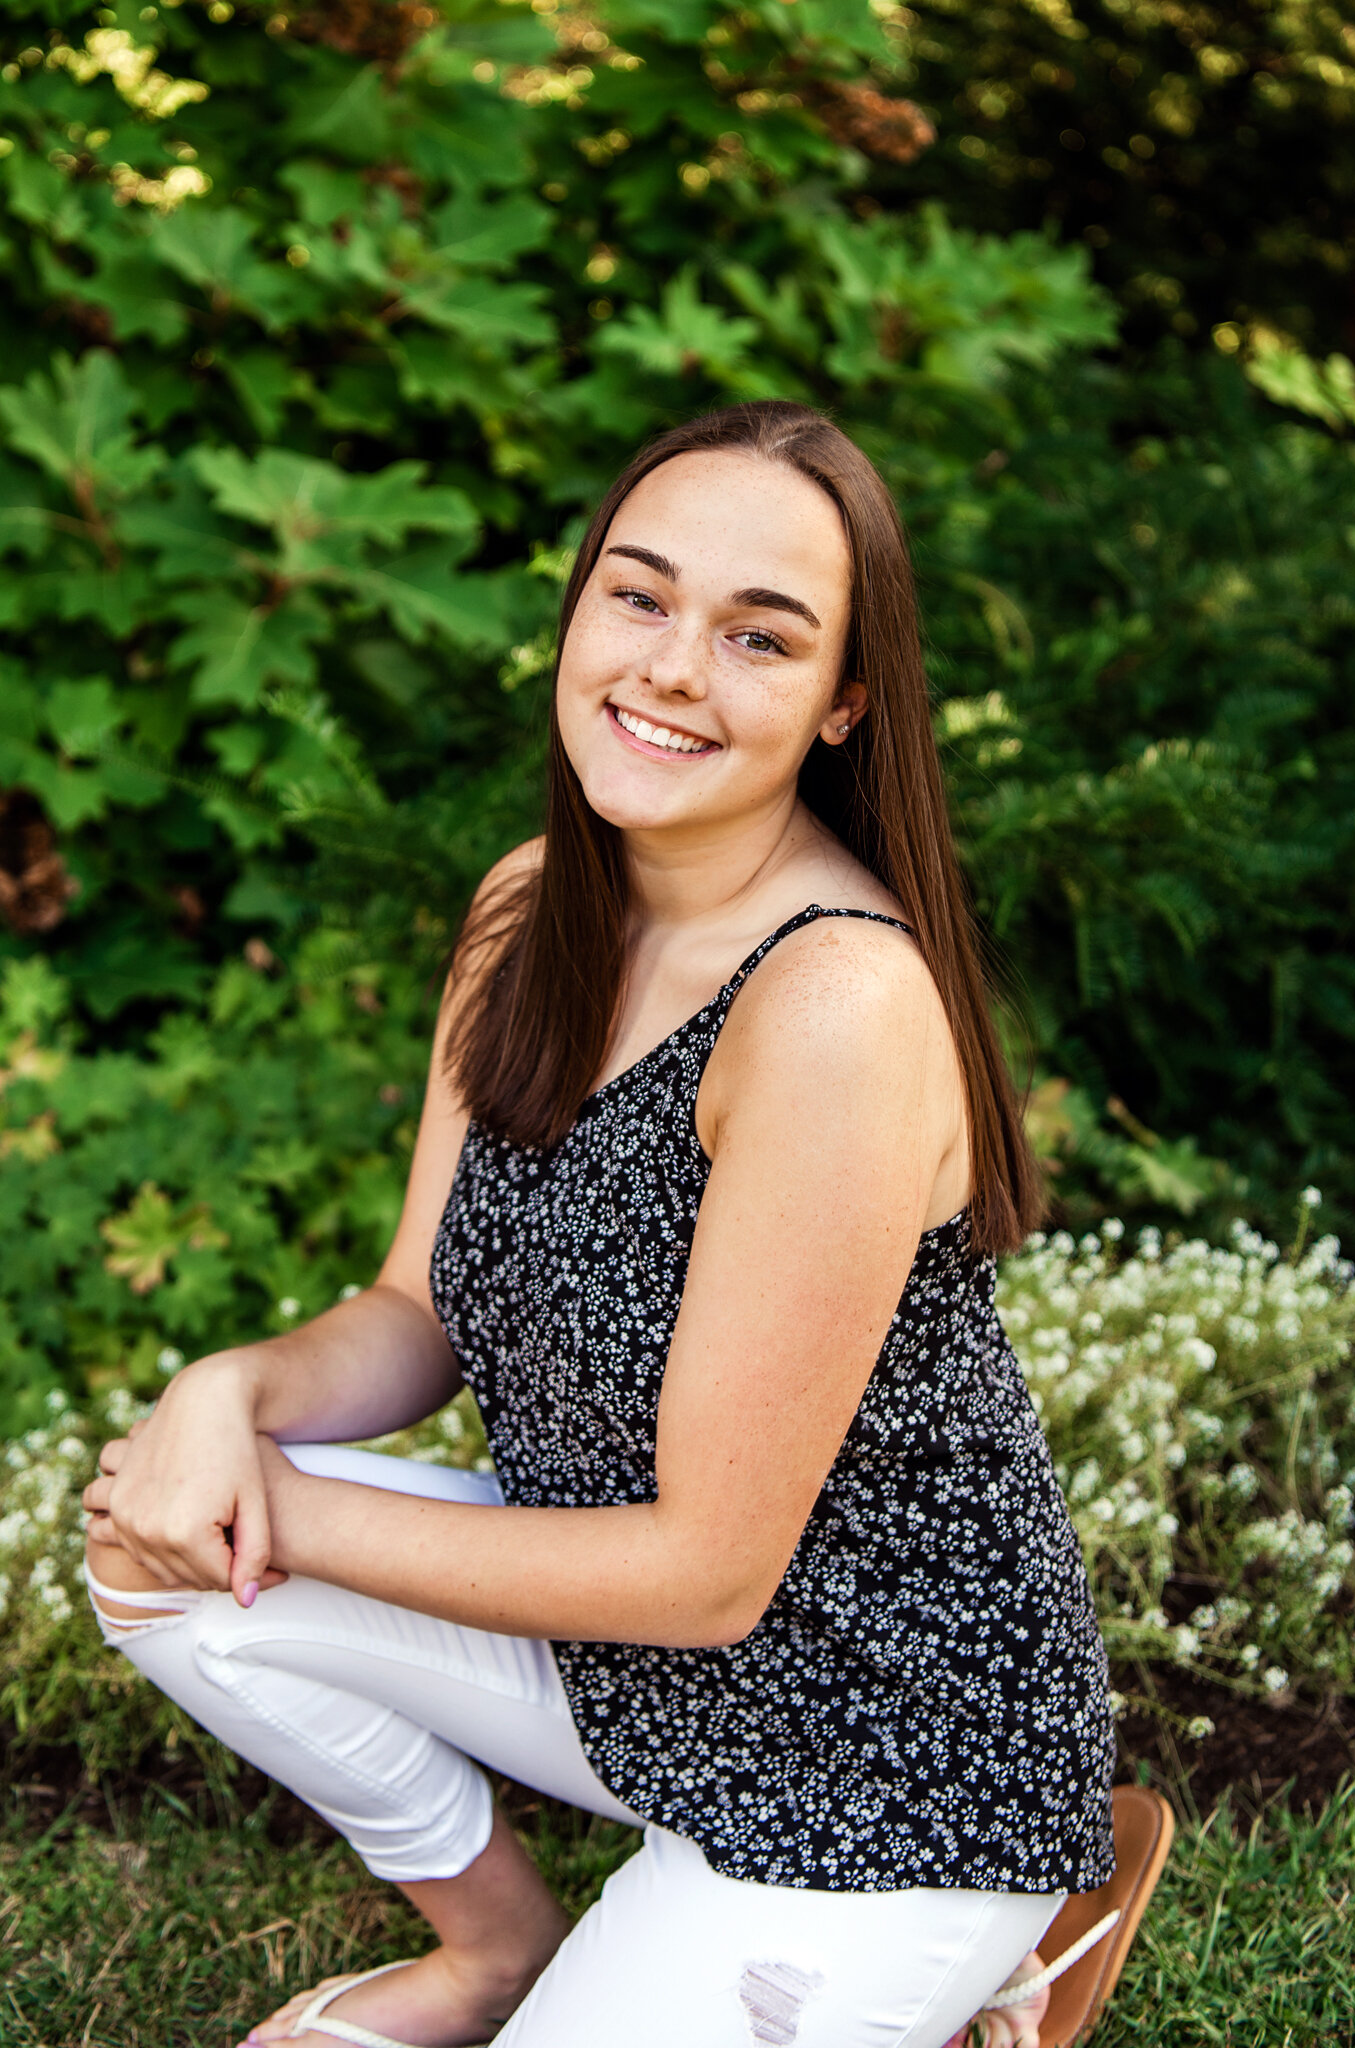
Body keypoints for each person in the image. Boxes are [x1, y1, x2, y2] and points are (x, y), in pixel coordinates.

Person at [83, 400, 1115, 2048]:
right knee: (154, 1556)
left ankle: (996, 1950)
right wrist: (229, 1397)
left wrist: (261, 1504)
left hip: (881, 1774)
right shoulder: (527, 912)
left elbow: (705, 1573)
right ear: (575, 616)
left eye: (759, 637)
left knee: (207, 1527)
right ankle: (492, 1950)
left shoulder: (835, 1001)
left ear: (846, 702)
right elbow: (416, 1305)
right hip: (626, 1676)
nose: (672, 669)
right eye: (638, 597)